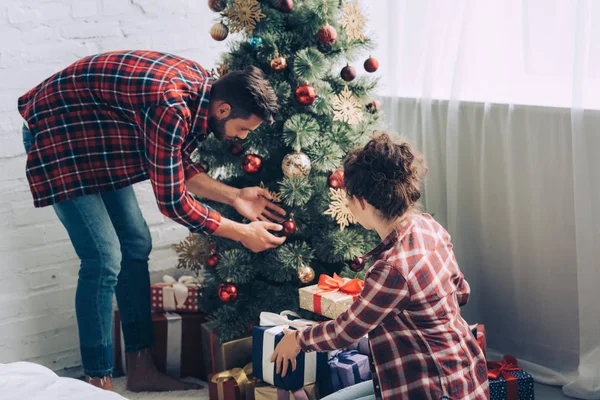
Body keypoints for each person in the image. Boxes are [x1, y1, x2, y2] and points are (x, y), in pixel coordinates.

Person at [18, 50, 286, 392]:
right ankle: (97, 383)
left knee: (136, 243)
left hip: (98, 137)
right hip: (59, 137)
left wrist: (234, 196)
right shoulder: (172, 105)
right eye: (244, 128)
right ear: (223, 109)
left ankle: (141, 366)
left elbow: (174, 164)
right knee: (103, 257)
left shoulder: (203, 89)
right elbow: (173, 202)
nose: (242, 137)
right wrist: (239, 232)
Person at [271, 133, 489, 399]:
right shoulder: (428, 226)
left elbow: (344, 333)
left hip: (435, 387)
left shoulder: (392, 269)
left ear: (361, 201)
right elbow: (461, 291)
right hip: (465, 373)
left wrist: (298, 339)